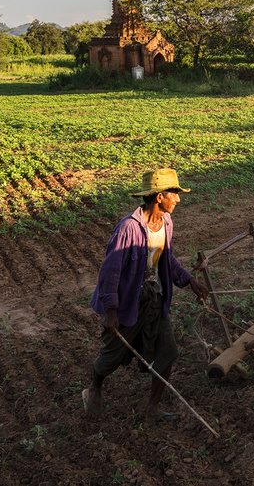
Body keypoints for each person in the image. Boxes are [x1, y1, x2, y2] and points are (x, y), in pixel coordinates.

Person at [84, 168, 208, 419]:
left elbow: (167, 260)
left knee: (168, 352)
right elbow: (111, 271)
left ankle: (152, 407)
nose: (178, 199)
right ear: (160, 196)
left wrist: (189, 281)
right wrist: (110, 311)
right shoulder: (128, 228)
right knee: (111, 355)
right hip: (131, 301)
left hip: (156, 298)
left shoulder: (166, 222)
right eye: (174, 193)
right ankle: (93, 390)